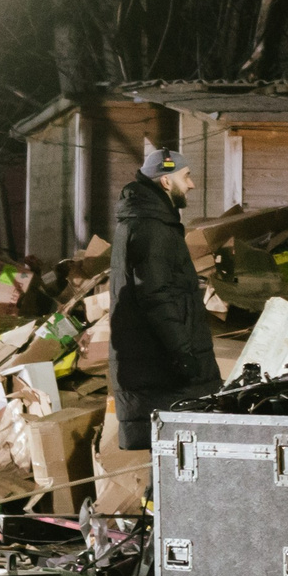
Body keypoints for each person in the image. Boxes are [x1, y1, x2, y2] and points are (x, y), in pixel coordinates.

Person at [108, 143, 218, 451]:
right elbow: (157, 297)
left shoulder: (147, 222)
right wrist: (184, 357)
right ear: (166, 181)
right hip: (164, 378)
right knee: (177, 466)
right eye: (187, 177)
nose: (192, 184)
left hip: (156, 375)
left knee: (172, 468)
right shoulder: (151, 228)